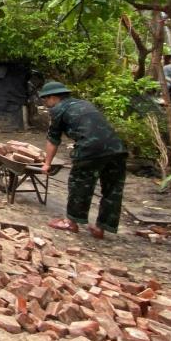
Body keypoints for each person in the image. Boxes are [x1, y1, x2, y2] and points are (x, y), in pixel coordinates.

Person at [39, 82, 128, 239]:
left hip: (90, 148)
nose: (45, 103)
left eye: (45, 99)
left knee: (80, 184)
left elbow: (53, 139)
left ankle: (71, 222)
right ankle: (102, 227)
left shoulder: (58, 110)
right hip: (117, 148)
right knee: (113, 189)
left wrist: (47, 164)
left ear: (53, 97)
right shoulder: (84, 104)